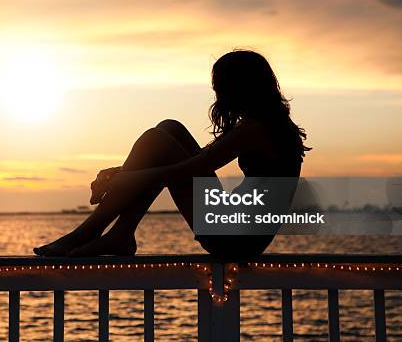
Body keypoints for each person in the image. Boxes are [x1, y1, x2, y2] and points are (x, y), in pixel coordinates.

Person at [34, 50, 310, 258]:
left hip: (234, 239)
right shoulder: (265, 124)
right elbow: (186, 163)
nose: (217, 95)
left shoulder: (255, 129)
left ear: (240, 88)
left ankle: (88, 233)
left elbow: (181, 171)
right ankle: (120, 234)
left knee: (157, 140)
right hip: (234, 227)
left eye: (220, 88)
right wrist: (122, 172)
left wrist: (124, 180)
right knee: (169, 129)